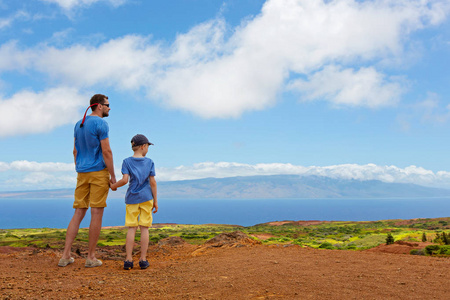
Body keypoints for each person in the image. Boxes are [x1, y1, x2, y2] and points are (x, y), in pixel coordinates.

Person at [58, 94, 116, 268]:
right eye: (107, 105)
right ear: (99, 106)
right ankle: (91, 257)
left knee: (78, 213)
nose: (109, 108)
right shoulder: (101, 123)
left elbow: (75, 151)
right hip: (98, 172)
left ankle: (65, 256)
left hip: (81, 172)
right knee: (96, 213)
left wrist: (79, 167)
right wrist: (112, 176)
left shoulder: (78, 123)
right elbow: (107, 152)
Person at [110, 134, 158, 270]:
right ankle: (143, 260)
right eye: (148, 146)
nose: (148, 149)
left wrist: (113, 186)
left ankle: (128, 260)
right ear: (143, 146)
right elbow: (152, 182)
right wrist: (155, 200)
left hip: (131, 198)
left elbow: (125, 180)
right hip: (147, 198)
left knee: (132, 228)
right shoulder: (150, 162)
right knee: (144, 228)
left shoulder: (126, 161)